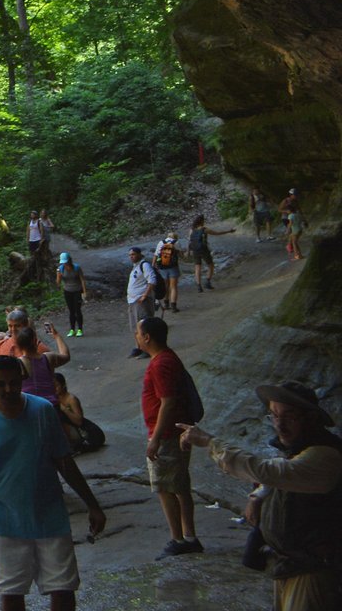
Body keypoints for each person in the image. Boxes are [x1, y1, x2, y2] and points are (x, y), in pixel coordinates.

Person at [0, 354, 107, 610]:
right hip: (4, 521)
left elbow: (64, 462)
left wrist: (92, 504)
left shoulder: (42, 411)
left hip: (50, 516)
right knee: (12, 593)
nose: (8, 389)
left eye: (14, 383)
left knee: (63, 588)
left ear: (22, 380)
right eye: (0, 384)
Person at [178, 381, 342, 610]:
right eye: (274, 416)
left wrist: (209, 442)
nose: (280, 425)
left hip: (313, 569)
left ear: (311, 419)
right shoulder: (300, 448)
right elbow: (280, 474)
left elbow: (273, 471)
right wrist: (258, 496)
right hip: (291, 565)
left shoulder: (326, 455)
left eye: (290, 417)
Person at [136, 316, 202, 557]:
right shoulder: (167, 358)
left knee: (166, 487)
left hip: (166, 434)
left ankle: (178, 538)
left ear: (147, 337)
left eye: (138, 333)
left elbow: (168, 402)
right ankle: (189, 536)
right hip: (172, 432)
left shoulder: (161, 364)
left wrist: (155, 438)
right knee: (180, 486)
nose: (136, 337)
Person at [12, 325, 70, 402]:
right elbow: (66, 356)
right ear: (35, 340)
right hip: (50, 404)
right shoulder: (48, 358)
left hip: (29, 406)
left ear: (18, 344)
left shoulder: (16, 364)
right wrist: (56, 336)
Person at [51, 374, 102, 455]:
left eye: (56, 386)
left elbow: (79, 421)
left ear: (63, 385)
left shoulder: (71, 399)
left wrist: (64, 409)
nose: (54, 389)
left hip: (88, 434)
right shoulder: (53, 398)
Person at [125, 248, 160, 357]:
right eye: (130, 255)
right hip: (132, 300)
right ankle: (139, 346)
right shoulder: (135, 267)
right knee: (135, 326)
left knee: (144, 324)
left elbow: (152, 280)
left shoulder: (144, 265)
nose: (131, 256)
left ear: (140, 254)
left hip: (141, 299)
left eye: (133, 254)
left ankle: (148, 348)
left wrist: (145, 295)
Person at [185, 214, 234, 291]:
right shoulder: (204, 229)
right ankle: (207, 282)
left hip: (195, 250)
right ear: (201, 221)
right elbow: (217, 233)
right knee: (210, 265)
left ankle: (199, 286)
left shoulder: (191, 230)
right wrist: (229, 231)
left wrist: (188, 251)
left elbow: (190, 241)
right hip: (203, 249)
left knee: (197, 267)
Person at [55, 253, 87, 337]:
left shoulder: (77, 268)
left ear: (69, 260)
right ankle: (72, 329)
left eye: (66, 262)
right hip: (67, 291)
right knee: (71, 311)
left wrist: (84, 292)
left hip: (77, 290)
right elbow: (58, 283)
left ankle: (80, 329)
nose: (65, 264)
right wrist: (58, 275)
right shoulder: (61, 269)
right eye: (63, 262)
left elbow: (82, 280)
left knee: (77, 310)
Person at [154, 236, 184, 312]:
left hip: (162, 267)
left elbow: (156, 254)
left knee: (165, 286)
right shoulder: (176, 242)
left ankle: (166, 304)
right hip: (173, 267)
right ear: (175, 237)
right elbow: (181, 256)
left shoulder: (161, 242)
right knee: (173, 287)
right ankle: (173, 306)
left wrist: (153, 265)